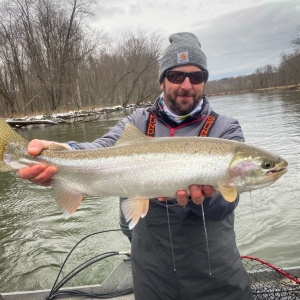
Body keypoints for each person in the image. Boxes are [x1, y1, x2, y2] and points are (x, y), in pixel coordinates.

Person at [19, 32, 253, 300]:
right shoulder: (138, 122)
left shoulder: (226, 129)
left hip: (215, 275)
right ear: (162, 80)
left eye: (196, 76)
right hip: (151, 276)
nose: (186, 84)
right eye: (176, 76)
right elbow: (100, 150)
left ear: (204, 82)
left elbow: (224, 207)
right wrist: (64, 152)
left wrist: (203, 198)